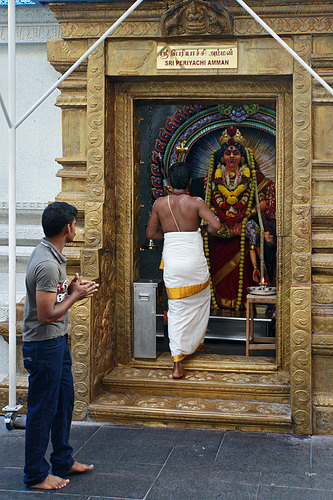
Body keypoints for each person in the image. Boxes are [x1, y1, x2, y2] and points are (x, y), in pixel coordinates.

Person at [22, 201, 99, 490]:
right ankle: (35, 475)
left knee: (64, 401)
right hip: (44, 345)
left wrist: (69, 289)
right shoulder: (47, 263)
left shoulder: (51, 256)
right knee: (42, 409)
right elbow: (45, 315)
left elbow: (51, 298)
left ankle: (63, 459)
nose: (75, 228)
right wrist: (75, 296)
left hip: (56, 342)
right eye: (75, 224)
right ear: (68, 228)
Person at [146, 162, 221, 378]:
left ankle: (178, 362)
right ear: (189, 182)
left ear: (169, 182)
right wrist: (199, 230)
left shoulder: (160, 203)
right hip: (194, 259)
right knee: (201, 299)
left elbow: (151, 233)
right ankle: (197, 343)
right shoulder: (196, 202)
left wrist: (170, 236)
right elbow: (216, 226)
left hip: (173, 260)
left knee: (177, 308)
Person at [206, 126, 275, 309]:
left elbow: (264, 203)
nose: (231, 156)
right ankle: (219, 303)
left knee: (248, 256)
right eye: (228, 153)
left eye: (235, 153)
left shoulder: (253, 176)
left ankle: (252, 290)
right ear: (221, 156)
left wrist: (246, 215)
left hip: (243, 231)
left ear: (242, 156)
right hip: (220, 231)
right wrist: (221, 217)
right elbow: (208, 204)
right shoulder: (212, 178)